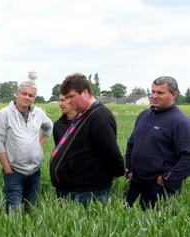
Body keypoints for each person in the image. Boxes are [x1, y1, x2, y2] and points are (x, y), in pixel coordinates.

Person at [51, 73, 124, 204]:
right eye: (66, 97)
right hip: (75, 189)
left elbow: (111, 152)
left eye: (71, 97)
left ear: (85, 92)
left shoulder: (99, 116)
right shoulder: (83, 114)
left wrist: (115, 172)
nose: (68, 101)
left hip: (88, 191)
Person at [125, 76, 190, 208]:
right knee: (127, 221)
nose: (154, 96)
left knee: (153, 226)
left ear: (173, 95)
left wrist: (166, 180)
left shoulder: (180, 122)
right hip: (136, 182)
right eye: (152, 91)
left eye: (160, 92)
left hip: (158, 187)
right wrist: (129, 171)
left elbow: (187, 157)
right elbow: (132, 143)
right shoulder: (144, 115)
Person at [0, 81, 53, 212]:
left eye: (31, 95)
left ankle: (29, 233)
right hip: (14, 172)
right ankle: (13, 233)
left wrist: (39, 143)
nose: (27, 97)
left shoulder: (38, 113)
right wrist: (7, 169)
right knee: (14, 212)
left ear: (34, 98)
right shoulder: (4, 114)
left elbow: (48, 127)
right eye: (24, 93)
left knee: (31, 209)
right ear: (16, 94)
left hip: (34, 172)